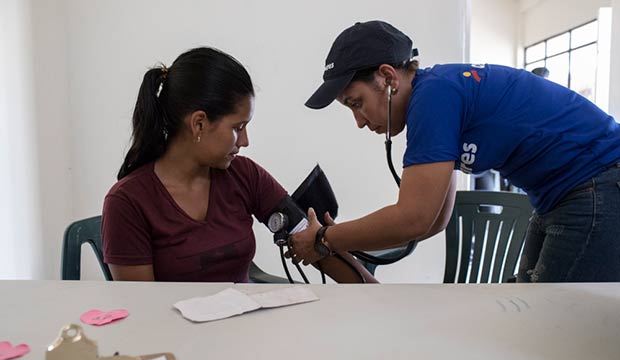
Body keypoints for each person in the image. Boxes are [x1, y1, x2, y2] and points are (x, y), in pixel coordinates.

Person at [289, 20, 620, 282]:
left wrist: (326, 239)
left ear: (388, 78)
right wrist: (338, 240)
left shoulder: (433, 98)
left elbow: (413, 218)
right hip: (566, 192)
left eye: (356, 103)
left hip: (595, 180)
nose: (359, 121)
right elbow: (433, 220)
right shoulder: (437, 95)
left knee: (548, 323)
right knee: (530, 312)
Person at [102, 47, 375, 283]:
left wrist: (377, 296)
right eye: (238, 127)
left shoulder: (244, 175)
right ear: (199, 123)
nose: (245, 141)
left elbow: (309, 238)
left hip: (245, 334)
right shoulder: (127, 202)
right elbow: (142, 309)